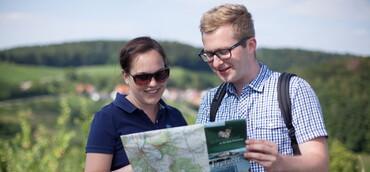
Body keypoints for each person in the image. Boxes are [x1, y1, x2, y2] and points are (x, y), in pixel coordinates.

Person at [196, 4, 329, 171]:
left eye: (223, 51)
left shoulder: (293, 89)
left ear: (250, 45)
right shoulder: (211, 100)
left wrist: (280, 162)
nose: (216, 63)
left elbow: (321, 164)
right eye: (209, 54)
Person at [84, 36, 188, 172]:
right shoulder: (107, 119)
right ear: (126, 76)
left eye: (160, 74)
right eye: (142, 77)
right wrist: (145, 166)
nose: (153, 83)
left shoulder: (175, 116)